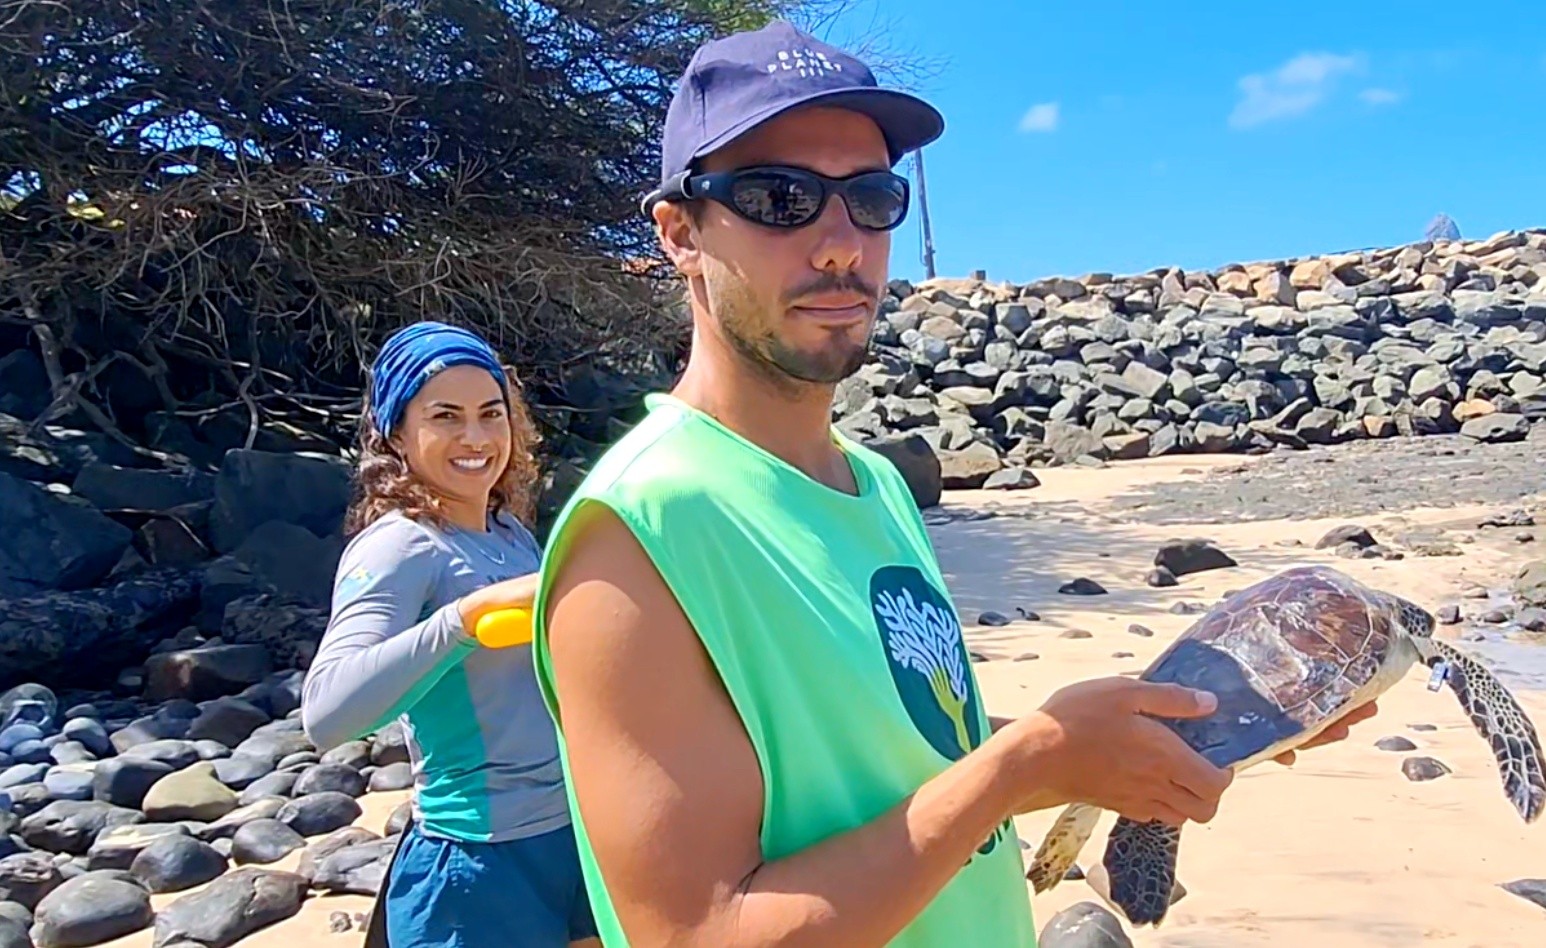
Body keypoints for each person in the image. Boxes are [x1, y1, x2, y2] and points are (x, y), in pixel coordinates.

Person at [529, 20, 1379, 948]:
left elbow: (900, 766)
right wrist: (1021, 767)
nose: (839, 244)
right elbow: (697, 932)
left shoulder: (875, 488)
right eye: (782, 198)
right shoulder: (637, 534)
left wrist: (1135, 739)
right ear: (679, 233)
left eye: (870, 197)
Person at [301, 321, 598, 948]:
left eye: (492, 414)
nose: (476, 437)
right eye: (446, 416)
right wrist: (459, 623)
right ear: (397, 434)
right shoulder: (398, 546)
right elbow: (326, 713)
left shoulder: (510, 534)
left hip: (571, 838)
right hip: (475, 867)